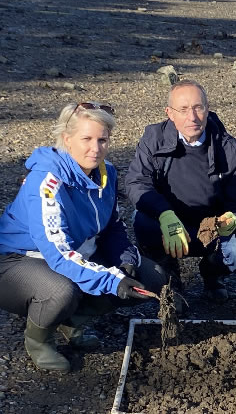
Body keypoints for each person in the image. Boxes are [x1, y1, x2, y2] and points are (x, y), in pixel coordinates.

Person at [0, 102, 167, 373]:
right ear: (67, 140)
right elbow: (57, 252)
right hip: (18, 259)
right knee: (60, 291)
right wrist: (112, 280)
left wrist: (124, 263)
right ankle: (39, 341)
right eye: (86, 139)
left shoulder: (106, 173)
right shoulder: (47, 183)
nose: (96, 148)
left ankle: (72, 321)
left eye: (102, 139)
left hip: (73, 251)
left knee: (150, 274)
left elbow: (112, 226)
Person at [125, 80, 236, 307]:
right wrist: (165, 214)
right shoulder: (153, 139)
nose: (192, 117)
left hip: (212, 228)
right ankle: (169, 278)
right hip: (167, 224)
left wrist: (234, 218)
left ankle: (211, 273)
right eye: (183, 109)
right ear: (170, 113)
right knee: (141, 221)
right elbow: (136, 183)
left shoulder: (230, 148)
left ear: (207, 109)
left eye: (198, 108)